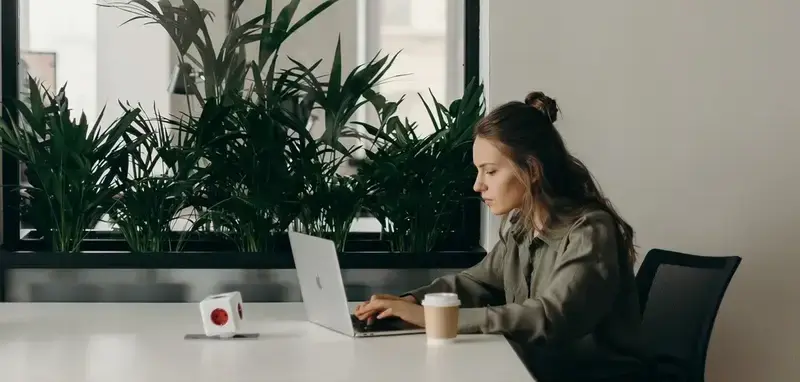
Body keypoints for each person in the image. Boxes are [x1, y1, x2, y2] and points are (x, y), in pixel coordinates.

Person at [354, 91, 646, 382]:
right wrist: (412, 302)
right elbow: (475, 283)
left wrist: (433, 318)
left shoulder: (590, 231)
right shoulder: (522, 225)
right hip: (533, 371)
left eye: (490, 172)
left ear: (531, 170)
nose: (477, 185)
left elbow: (550, 318)